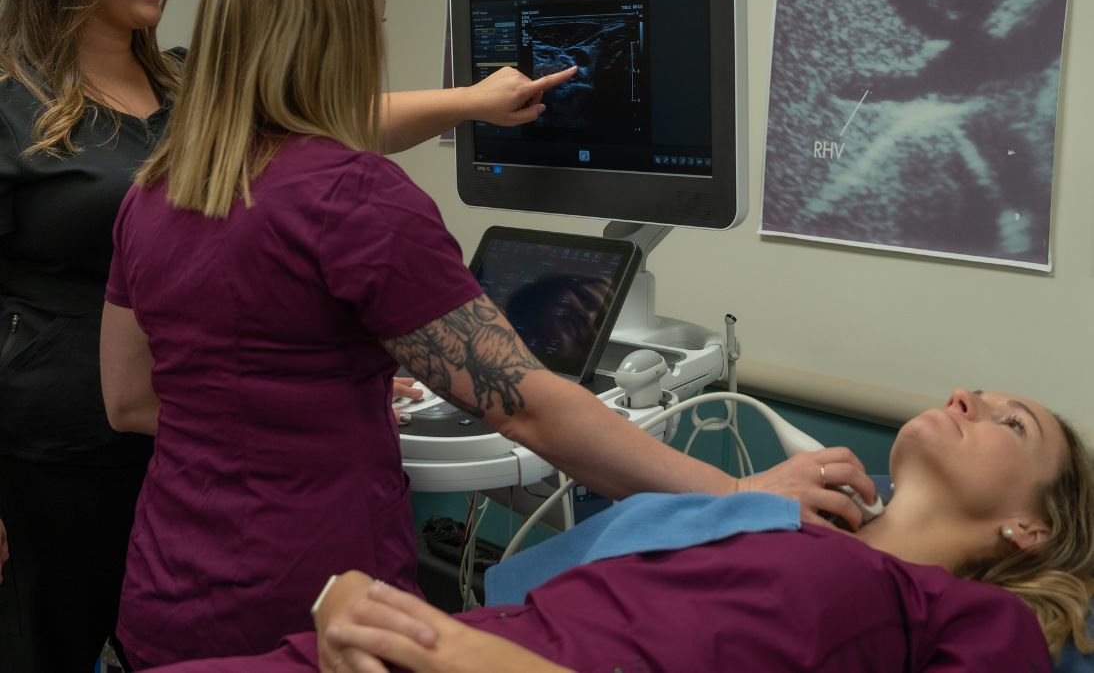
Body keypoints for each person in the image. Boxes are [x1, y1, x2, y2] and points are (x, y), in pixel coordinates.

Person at [98, 0, 876, 669]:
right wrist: (741, 494)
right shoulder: (355, 198)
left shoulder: (155, 193)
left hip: (164, 598)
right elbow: (532, 409)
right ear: (345, 31)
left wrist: (309, 391)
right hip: (312, 615)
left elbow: (131, 400)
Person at [0, 0, 576, 673]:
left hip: (187, 436)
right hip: (61, 446)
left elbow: (320, 129)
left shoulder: (184, 81)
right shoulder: (10, 105)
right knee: (53, 641)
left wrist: (473, 102)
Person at [141, 387, 1094, 673]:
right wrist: (744, 498)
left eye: (1013, 423)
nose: (969, 395)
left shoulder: (971, 622)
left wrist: (437, 649)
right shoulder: (775, 524)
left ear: (1029, 527)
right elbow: (529, 589)